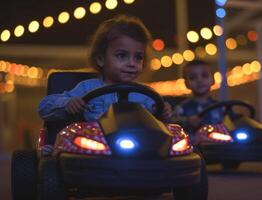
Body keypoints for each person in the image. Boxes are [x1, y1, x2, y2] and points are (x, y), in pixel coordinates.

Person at [38, 15, 172, 155]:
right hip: (93, 149)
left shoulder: (147, 95)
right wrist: (67, 104)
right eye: (122, 56)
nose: (132, 63)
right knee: (53, 157)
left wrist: (164, 113)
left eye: (138, 57)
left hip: (139, 151)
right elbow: (44, 107)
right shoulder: (87, 88)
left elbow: (160, 126)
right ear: (101, 59)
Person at [172, 60, 222, 144]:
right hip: (193, 148)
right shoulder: (182, 108)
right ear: (186, 84)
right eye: (192, 77)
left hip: (217, 147)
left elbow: (231, 124)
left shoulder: (220, 107)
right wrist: (187, 121)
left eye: (204, 76)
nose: (199, 80)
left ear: (213, 80)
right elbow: (173, 123)